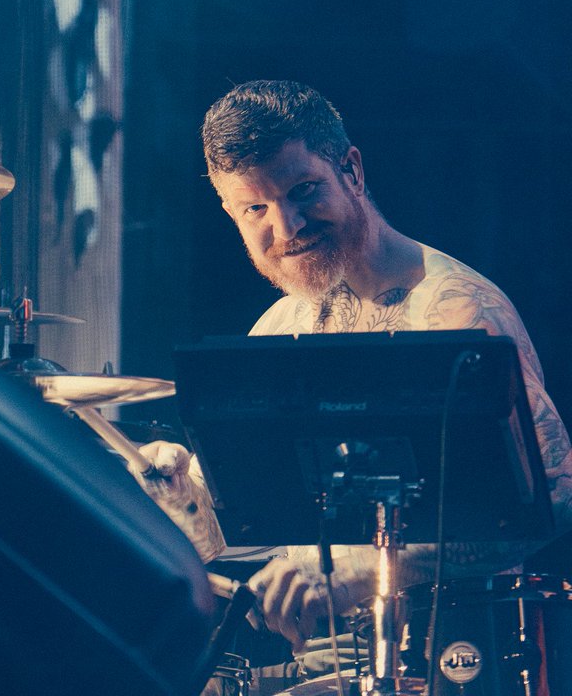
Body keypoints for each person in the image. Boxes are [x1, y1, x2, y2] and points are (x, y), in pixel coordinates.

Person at [131, 79, 572, 674]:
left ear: (352, 172)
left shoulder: (455, 312)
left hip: (443, 659)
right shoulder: (278, 329)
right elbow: (243, 549)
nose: (286, 227)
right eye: (256, 209)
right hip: (314, 665)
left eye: (303, 191)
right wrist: (182, 500)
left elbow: (554, 499)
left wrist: (357, 568)